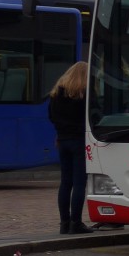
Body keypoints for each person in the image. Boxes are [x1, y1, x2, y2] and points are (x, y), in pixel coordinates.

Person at [48, 61, 91, 234]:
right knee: (80, 182)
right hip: (79, 140)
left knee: (66, 182)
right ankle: (76, 222)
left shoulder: (56, 93)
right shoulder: (83, 95)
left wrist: (61, 131)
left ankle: (64, 223)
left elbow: (51, 116)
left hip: (62, 140)